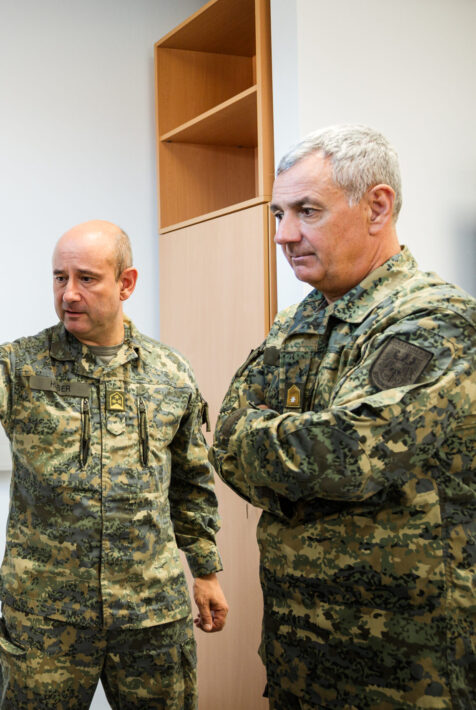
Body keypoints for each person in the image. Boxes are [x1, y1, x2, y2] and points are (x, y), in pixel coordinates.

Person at [0, 220, 228, 709]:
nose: (70, 294)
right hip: (47, 616)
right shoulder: (23, 364)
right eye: (60, 278)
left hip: (149, 614)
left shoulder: (171, 374)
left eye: (87, 278)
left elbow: (190, 483)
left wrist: (205, 571)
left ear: (126, 283)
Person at [210, 124, 476, 708]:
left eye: (307, 211)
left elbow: (349, 455)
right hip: (301, 654)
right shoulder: (300, 320)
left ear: (377, 207)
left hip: (406, 667)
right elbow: (222, 438)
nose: (284, 235)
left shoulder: (434, 320)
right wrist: (284, 451)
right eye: (278, 214)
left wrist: (267, 446)